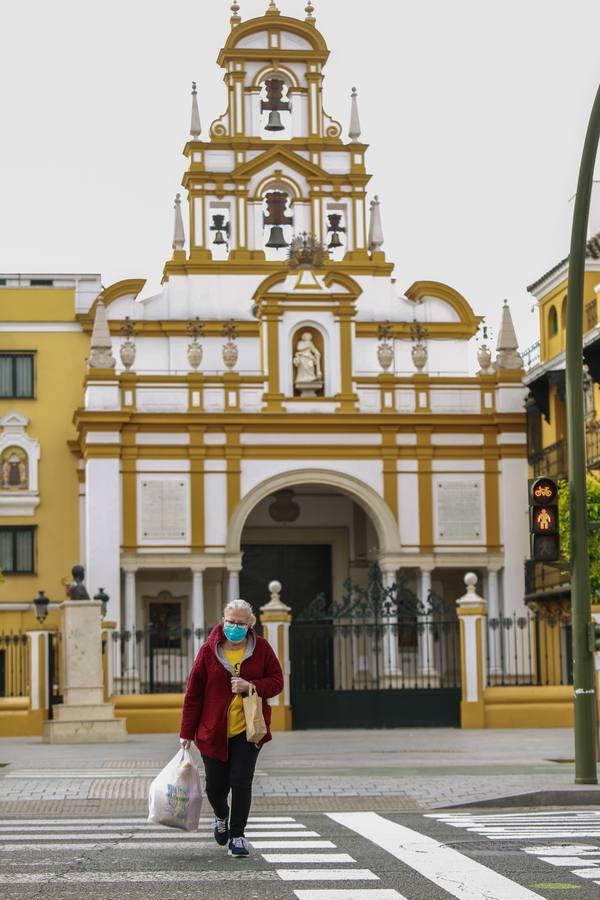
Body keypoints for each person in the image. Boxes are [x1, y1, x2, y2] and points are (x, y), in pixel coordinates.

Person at [179, 598, 283, 858]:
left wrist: (251, 686)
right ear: (223, 621)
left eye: (240, 623)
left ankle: (237, 835)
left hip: (248, 730)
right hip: (212, 731)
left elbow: (277, 682)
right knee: (215, 787)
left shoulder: (262, 650)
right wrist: (186, 732)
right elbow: (193, 694)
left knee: (241, 781)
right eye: (230, 622)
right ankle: (221, 815)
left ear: (250, 624)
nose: (234, 627)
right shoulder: (208, 651)